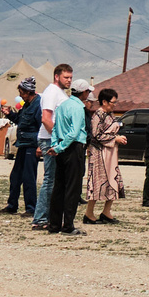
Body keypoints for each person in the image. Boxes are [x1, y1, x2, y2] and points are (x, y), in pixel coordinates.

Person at [44, 78, 91, 235]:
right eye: (88, 91)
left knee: (59, 187)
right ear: (84, 92)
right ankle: (68, 226)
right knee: (72, 188)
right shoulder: (78, 108)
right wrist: (62, 146)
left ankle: (54, 224)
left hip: (61, 148)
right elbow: (74, 131)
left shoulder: (63, 105)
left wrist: (56, 146)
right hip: (73, 147)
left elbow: (56, 127)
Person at [35, 63, 76, 232]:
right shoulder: (51, 92)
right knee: (50, 180)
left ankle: (49, 216)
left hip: (54, 139)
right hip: (49, 139)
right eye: (66, 77)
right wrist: (57, 140)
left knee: (56, 180)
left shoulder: (60, 93)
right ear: (56, 76)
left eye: (71, 78)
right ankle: (40, 218)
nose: (69, 81)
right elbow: (46, 118)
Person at [0, 77, 43, 216]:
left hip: (32, 145)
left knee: (29, 177)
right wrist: (10, 115)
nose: (19, 94)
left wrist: (39, 146)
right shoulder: (26, 105)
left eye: (21, 91)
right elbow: (20, 121)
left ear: (26, 91)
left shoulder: (38, 105)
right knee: (15, 176)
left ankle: (31, 208)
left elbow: (41, 126)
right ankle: (12, 205)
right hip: (23, 144)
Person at [83, 85, 125, 223]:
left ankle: (106, 212)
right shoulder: (97, 116)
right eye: (113, 102)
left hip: (110, 153)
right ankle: (89, 213)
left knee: (113, 179)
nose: (114, 105)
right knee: (97, 182)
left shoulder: (109, 115)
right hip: (99, 154)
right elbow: (96, 136)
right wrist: (115, 139)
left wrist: (117, 137)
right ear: (104, 102)